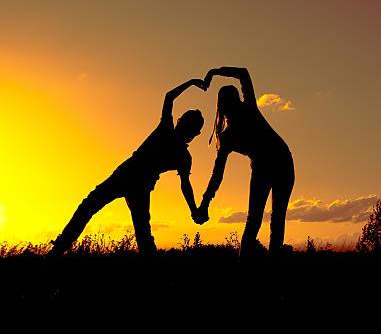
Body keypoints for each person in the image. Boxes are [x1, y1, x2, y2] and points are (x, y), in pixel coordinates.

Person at [49, 78, 205, 256]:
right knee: (134, 228)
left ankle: (58, 249)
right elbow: (185, 185)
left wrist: (191, 83)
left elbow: (169, 97)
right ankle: (59, 249)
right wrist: (194, 211)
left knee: (93, 208)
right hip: (132, 179)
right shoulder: (176, 146)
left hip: (132, 179)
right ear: (192, 131)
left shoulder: (176, 146)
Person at [195, 67, 294, 256]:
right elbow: (217, 174)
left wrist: (214, 72)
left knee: (270, 219)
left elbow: (244, 73)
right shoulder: (229, 135)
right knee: (262, 219)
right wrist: (205, 202)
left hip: (281, 161)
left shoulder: (247, 111)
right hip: (268, 165)